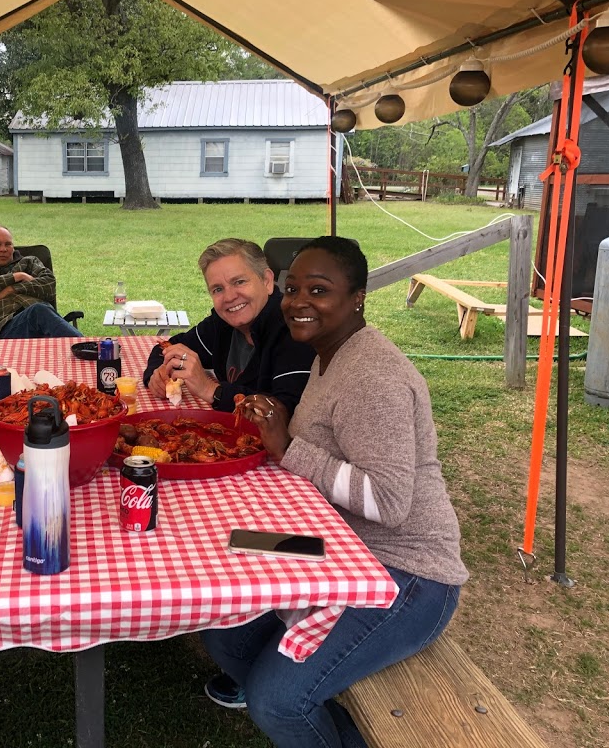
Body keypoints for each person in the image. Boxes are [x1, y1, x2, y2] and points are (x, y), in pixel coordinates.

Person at [200, 236, 468, 747]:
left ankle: (298, 700)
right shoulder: (329, 354)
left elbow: (389, 502)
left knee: (277, 702)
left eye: (319, 290)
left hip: (405, 571)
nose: (299, 302)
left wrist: (288, 447)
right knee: (223, 624)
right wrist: (281, 426)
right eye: (293, 289)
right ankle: (314, 699)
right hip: (331, 543)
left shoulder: (373, 377)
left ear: (357, 297)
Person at [142, 238, 315, 414]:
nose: (229, 297)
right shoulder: (222, 323)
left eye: (239, 282)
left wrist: (211, 390)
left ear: (267, 281)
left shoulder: (294, 328)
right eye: (218, 289)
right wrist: (158, 374)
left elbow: (287, 411)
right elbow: (168, 347)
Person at [0, 224, 83, 339]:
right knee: (38, 312)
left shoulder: (29, 262)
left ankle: (84, 348)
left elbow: (49, 285)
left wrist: (12, 289)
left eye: (8, 244)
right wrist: (18, 276)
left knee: (39, 312)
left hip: (42, 324)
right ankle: (85, 347)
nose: (3, 249)